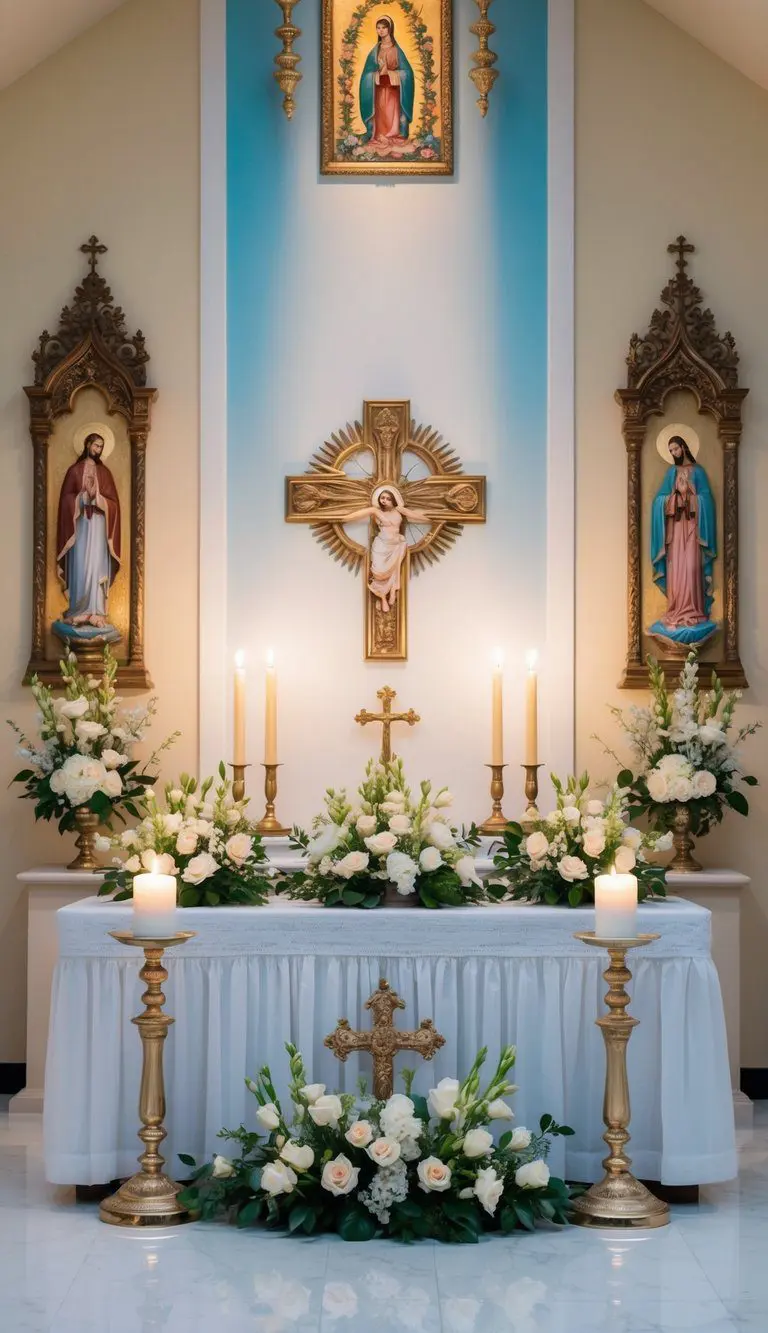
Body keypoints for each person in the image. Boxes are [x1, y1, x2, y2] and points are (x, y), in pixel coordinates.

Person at [650, 435, 716, 639]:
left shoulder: (698, 472)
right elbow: (658, 501)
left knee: (691, 569)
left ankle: (695, 611)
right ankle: (676, 611)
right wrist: (673, 497)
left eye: (675, 449)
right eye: (670, 451)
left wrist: (691, 495)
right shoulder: (671, 473)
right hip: (675, 532)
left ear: (684, 448)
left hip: (693, 532)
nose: (673, 454)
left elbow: (707, 501)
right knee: (676, 571)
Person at [56, 432, 121, 629]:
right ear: (87, 445)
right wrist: (81, 498)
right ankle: (78, 610)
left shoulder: (105, 473)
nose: (98, 450)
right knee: (81, 565)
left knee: (96, 565)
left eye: (101, 447)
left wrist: (98, 498)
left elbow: (114, 504)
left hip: (100, 525)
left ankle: (96, 611)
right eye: (96, 446)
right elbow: (65, 499)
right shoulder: (74, 471)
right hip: (81, 526)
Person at [344, 488, 427, 613]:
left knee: (395, 568)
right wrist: (343, 518)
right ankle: (382, 595)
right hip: (381, 546)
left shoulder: (399, 510)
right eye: (382, 498)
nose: (384, 501)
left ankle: (392, 591)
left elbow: (413, 515)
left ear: (393, 499)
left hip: (395, 545)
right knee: (378, 573)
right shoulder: (375, 511)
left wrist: (430, 520)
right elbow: (357, 514)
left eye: (388, 498)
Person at [360, 16, 415, 156]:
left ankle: (394, 136)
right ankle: (379, 136)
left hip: (393, 91)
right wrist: (375, 75)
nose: (381, 30)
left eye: (384, 27)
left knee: (392, 114)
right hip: (378, 90)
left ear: (390, 29)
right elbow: (366, 73)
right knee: (380, 114)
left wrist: (392, 74)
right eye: (378, 28)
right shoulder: (375, 50)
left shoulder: (396, 49)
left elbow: (407, 73)